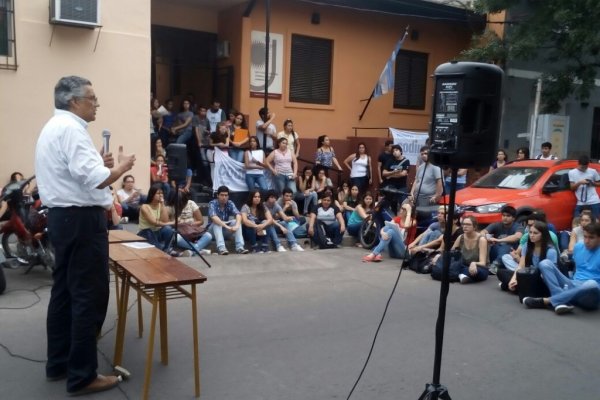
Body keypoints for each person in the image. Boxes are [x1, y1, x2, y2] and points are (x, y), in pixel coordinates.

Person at [35, 75, 135, 395]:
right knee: (86, 297)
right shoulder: (71, 130)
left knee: (64, 293)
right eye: (92, 98)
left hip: (64, 219)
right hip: (81, 222)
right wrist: (120, 168)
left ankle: (59, 363)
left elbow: (78, 174)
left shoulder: (55, 128)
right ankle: (82, 375)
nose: (97, 104)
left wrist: (101, 166)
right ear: (73, 101)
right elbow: (94, 180)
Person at [523, 222, 600, 314]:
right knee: (545, 263)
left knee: (591, 284)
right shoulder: (579, 246)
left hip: (590, 295)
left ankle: (548, 301)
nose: (587, 241)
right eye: (585, 237)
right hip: (573, 285)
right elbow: (577, 269)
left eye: (591, 237)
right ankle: (560, 301)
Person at [499, 221, 557, 292]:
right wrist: (513, 279)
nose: (532, 235)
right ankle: (516, 286)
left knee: (526, 283)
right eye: (530, 232)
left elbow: (551, 275)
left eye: (535, 233)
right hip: (528, 275)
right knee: (501, 272)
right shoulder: (526, 246)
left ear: (543, 235)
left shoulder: (550, 251)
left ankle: (512, 286)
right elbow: (520, 266)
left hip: (542, 280)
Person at [207, 185, 248, 255]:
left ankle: (240, 247)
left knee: (235, 221)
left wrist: (237, 225)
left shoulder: (230, 203)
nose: (224, 197)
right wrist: (227, 227)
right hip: (212, 232)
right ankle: (221, 248)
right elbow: (214, 218)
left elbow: (238, 214)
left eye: (226, 195)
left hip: (224, 230)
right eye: (222, 195)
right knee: (217, 223)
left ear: (228, 196)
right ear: (217, 196)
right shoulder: (212, 203)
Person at [137, 184, 177, 252]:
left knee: (168, 229)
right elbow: (154, 223)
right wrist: (171, 222)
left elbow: (165, 221)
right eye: (158, 193)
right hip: (145, 233)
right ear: (152, 195)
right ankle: (160, 250)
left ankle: (167, 249)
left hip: (157, 232)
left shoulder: (161, 205)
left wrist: (163, 204)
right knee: (148, 232)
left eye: (162, 193)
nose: (161, 195)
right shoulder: (145, 207)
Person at [450, 216, 489, 284]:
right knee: (453, 266)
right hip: (463, 265)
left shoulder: (481, 239)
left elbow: (483, 263)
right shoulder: (461, 237)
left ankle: (460, 275)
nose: (465, 226)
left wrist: (474, 263)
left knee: (477, 272)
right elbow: (451, 253)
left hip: (479, 267)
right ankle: (462, 276)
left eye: (468, 224)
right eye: (464, 224)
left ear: (474, 227)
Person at [174, 191, 212, 255]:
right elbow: (168, 223)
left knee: (208, 236)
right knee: (176, 238)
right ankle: (199, 250)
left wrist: (190, 224)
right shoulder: (172, 206)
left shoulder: (191, 203)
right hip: (179, 232)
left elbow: (201, 221)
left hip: (191, 230)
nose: (182, 205)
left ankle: (192, 252)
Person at [568, 155, 600, 220]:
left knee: (595, 221)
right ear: (578, 164)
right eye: (582, 167)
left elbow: (599, 183)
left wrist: (592, 183)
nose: (584, 169)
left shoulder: (593, 171)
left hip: (594, 200)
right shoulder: (572, 172)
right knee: (577, 220)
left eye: (586, 167)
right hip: (581, 201)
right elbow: (572, 188)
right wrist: (580, 182)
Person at [382, 144, 410, 213]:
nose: (395, 152)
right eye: (393, 151)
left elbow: (403, 174)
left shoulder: (406, 161)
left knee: (403, 203)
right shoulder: (390, 160)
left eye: (396, 150)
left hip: (402, 186)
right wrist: (393, 172)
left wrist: (390, 175)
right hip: (391, 186)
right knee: (392, 204)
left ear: (400, 151)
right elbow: (384, 173)